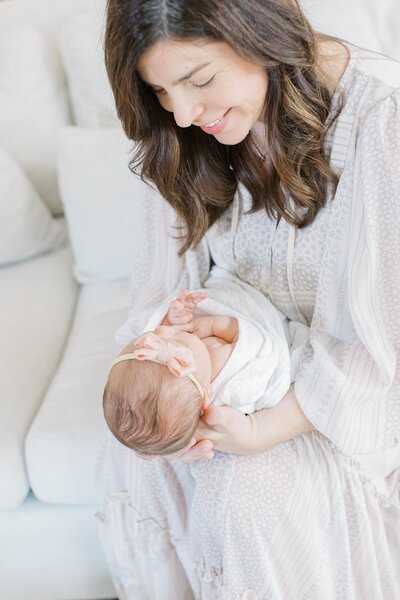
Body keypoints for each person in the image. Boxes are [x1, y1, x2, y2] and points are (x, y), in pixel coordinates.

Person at [96, 0, 400, 598]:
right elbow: (163, 284)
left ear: (260, 32)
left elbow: (384, 339)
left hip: (345, 395)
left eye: (199, 79)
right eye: (160, 89)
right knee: (141, 458)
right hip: (238, 368)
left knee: (243, 497)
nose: (183, 113)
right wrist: (180, 386)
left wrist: (264, 428)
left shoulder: (381, 121)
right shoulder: (183, 134)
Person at [103, 283, 307, 457]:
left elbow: (162, 330)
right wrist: (213, 327)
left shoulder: (187, 380)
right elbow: (259, 343)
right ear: (206, 395)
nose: (164, 330)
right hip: (265, 320)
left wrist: (174, 320)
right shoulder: (226, 366)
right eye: (177, 339)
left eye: (156, 335)